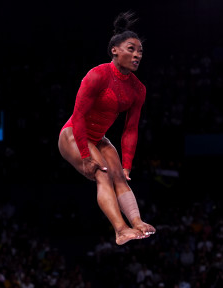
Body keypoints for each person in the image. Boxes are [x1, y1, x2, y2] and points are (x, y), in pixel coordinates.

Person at [58, 11, 155, 245]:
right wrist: (84, 154)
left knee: (120, 176)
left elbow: (131, 129)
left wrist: (127, 165)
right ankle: (120, 230)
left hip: (99, 138)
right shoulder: (97, 75)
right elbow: (79, 116)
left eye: (140, 51)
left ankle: (137, 222)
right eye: (131, 49)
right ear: (115, 50)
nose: (137, 55)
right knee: (102, 174)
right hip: (73, 134)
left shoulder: (138, 89)